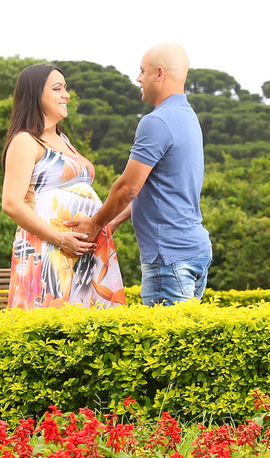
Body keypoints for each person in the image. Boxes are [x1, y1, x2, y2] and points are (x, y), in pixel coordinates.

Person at [64, 43, 211, 306]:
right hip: (195, 249)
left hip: (168, 259)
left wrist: (95, 223)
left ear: (159, 74)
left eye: (142, 71)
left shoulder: (156, 122)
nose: (138, 78)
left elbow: (128, 188)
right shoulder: (188, 117)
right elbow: (158, 188)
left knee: (164, 345)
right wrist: (112, 221)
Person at [0, 63, 127, 309]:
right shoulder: (25, 141)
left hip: (83, 250)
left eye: (65, 88)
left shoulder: (64, 140)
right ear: (35, 95)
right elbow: (12, 203)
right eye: (58, 89)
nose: (66, 95)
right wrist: (60, 239)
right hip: (50, 250)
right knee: (53, 329)